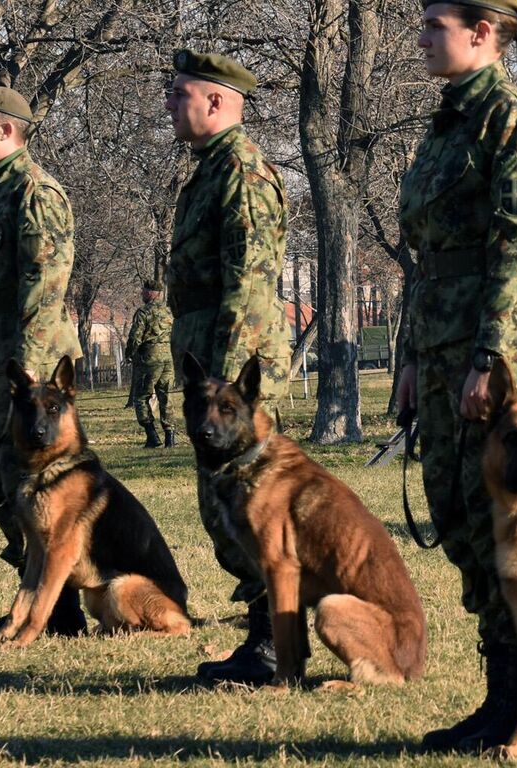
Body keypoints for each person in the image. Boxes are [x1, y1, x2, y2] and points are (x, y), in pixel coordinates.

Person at [392, 0, 517, 750]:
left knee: (505, 528)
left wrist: (488, 358)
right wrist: (408, 359)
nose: (423, 37)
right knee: (460, 522)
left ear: (483, 34)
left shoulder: (511, 122)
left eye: (436, 25)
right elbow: (427, 263)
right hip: (440, 350)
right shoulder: (447, 123)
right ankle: (499, 694)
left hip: (493, 358)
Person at [162, 50, 294, 685]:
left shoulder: (241, 172)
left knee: (252, 511)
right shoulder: (210, 171)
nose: (168, 102)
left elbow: (250, 284)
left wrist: (226, 388)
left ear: (216, 101)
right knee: (226, 514)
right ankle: (265, 638)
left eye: (179, 92)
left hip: (234, 379)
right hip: (212, 375)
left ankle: (272, 648)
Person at [0, 84, 90, 639]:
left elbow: (47, 284)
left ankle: (59, 609)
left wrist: (32, 367)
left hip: (27, 371)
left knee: (39, 491)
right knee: (2, 488)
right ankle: (43, 602)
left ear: (7, 130)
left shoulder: (35, 193)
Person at [125, 279, 176, 448]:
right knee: (166, 396)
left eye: (143, 291)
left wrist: (129, 354)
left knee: (141, 397)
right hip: (168, 358)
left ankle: (152, 436)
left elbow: (135, 337)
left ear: (149, 293)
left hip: (149, 358)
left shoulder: (143, 312)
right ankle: (170, 438)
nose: (141, 294)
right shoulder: (169, 312)